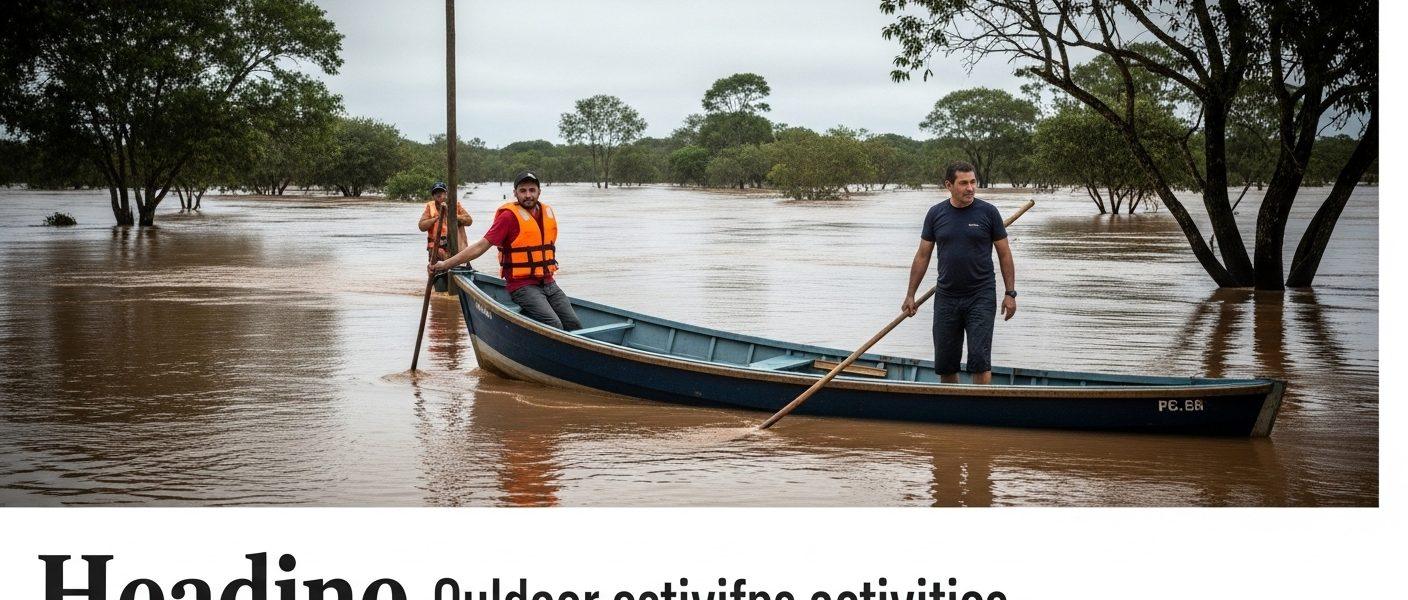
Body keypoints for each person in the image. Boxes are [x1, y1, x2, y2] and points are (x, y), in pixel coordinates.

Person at [901, 161, 1017, 384]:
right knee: (946, 364)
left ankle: (979, 411)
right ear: (949, 185)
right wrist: (910, 294)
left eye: (973, 182)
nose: (970, 188)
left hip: (981, 296)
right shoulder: (936, 214)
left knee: (980, 361)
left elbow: (1005, 254)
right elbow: (922, 256)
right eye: (963, 183)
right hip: (946, 297)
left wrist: (1010, 294)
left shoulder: (989, 213)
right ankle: (953, 409)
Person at [429, 171, 582, 331]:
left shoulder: (547, 212)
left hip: (549, 283)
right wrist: (445, 264)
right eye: (523, 191)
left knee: (574, 324)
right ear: (515, 193)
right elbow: (481, 246)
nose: (528, 195)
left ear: (539, 192)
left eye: (532, 190)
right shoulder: (508, 217)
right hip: (522, 286)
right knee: (554, 325)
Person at [418, 181, 473, 291]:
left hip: (454, 247)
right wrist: (435, 219)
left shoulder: (455, 205)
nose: (439, 195)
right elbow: (421, 226)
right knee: (438, 278)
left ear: (446, 194)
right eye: (436, 193)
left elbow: (469, 220)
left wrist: (452, 216)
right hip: (436, 249)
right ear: (433, 195)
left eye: (441, 192)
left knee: (456, 272)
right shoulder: (430, 207)